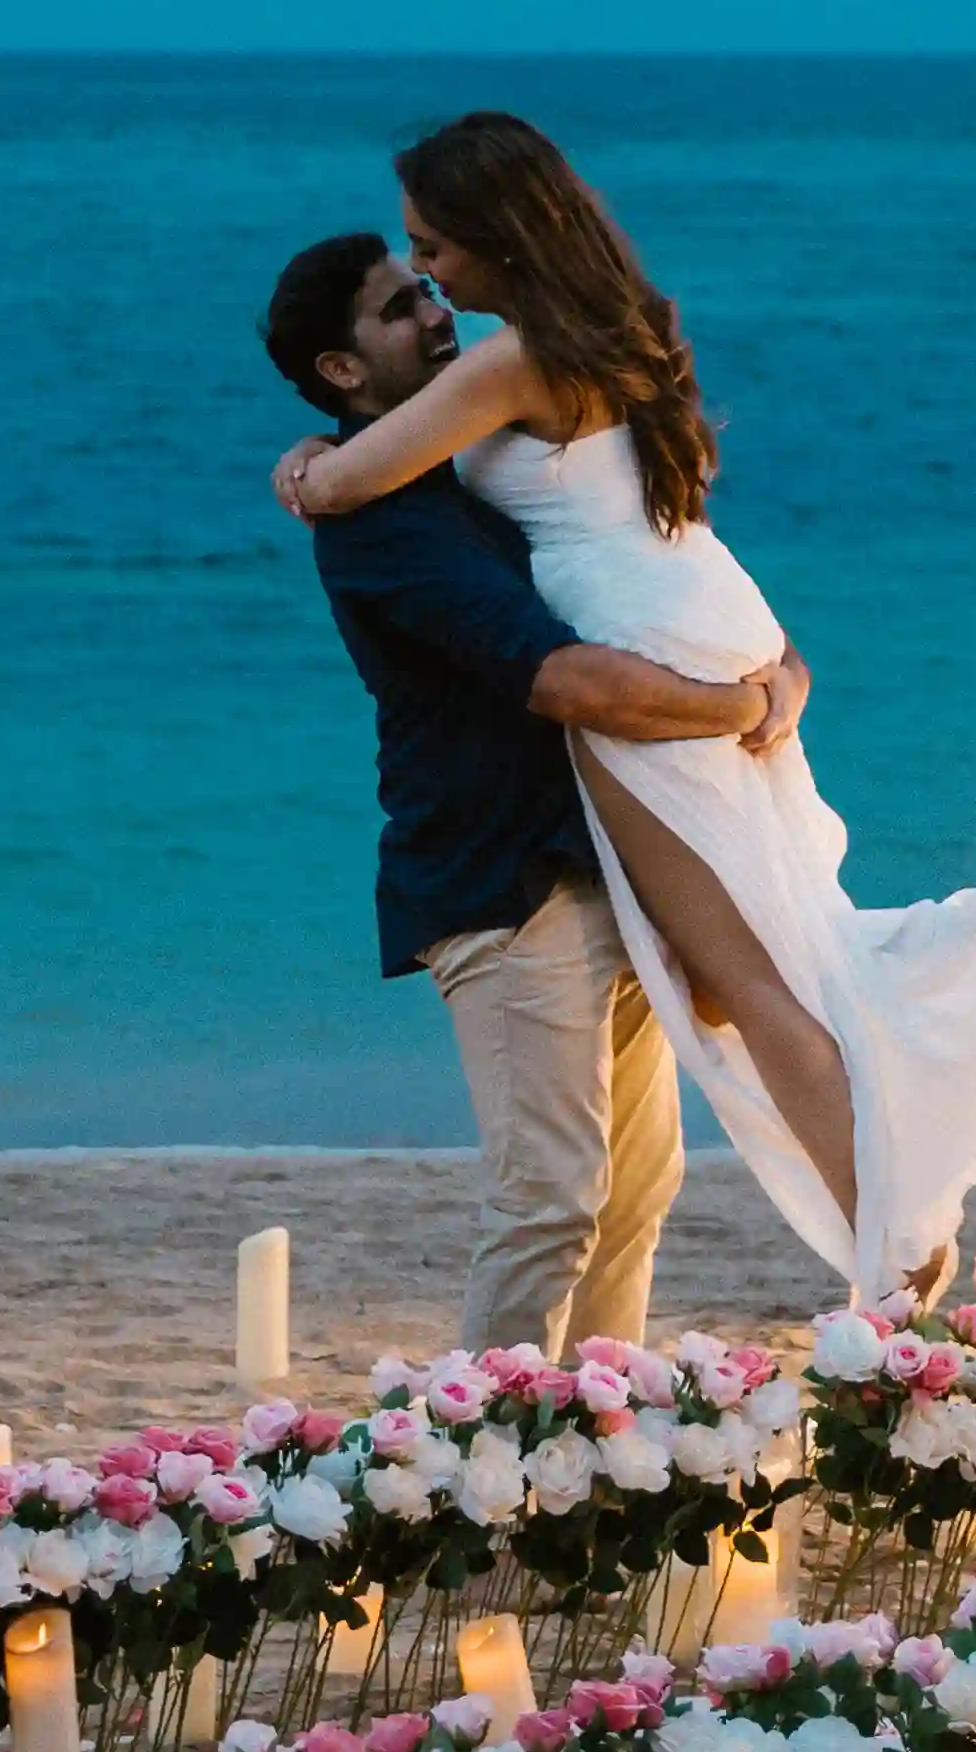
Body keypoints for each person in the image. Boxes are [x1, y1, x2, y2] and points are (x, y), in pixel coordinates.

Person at [274, 114, 976, 1308]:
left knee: (751, 979)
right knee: (776, 949)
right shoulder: (623, 325)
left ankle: (892, 1250)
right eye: (411, 272)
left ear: (497, 233)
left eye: (434, 252)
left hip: (642, 651)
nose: (433, 282)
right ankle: (975, 992)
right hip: (705, 605)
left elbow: (351, 478)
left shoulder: (510, 361)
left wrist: (299, 467)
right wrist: (766, 672)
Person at [262, 230, 807, 1355]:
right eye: (397, 308)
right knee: (548, 1201)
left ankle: (601, 1441)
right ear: (342, 370)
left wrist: (771, 667)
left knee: (633, 1195)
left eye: (427, 287)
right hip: (499, 885)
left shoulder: (473, 453)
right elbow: (561, 678)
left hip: (606, 861)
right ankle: (486, 1446)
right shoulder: (381, 524)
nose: (434, 312)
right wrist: (738, 706)